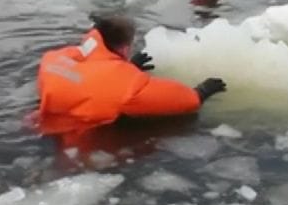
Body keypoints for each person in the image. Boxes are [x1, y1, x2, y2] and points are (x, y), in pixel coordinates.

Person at [34, 14, 227, 140]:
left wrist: (126, 67)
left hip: (40, 125)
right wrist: (201, 92)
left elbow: (89, 79)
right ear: (125, 48)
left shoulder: (53, 58)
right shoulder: (126, 87)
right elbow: (181, 100)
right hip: (82, 138)